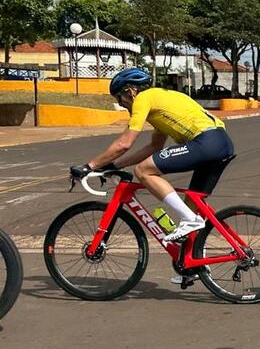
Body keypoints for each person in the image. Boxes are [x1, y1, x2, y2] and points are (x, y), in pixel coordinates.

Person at [70, 68, 235, 244]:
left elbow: (124, 143)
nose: (122, 105)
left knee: (143, 171)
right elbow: (154, 146)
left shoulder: (143, 98)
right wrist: (115, 166)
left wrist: (89, 166)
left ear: (130, 92)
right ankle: (194, 269)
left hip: (206, 142)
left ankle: (190, 220)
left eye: (120, 99)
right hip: (220, 143)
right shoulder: (161, 101)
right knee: (191, 206)